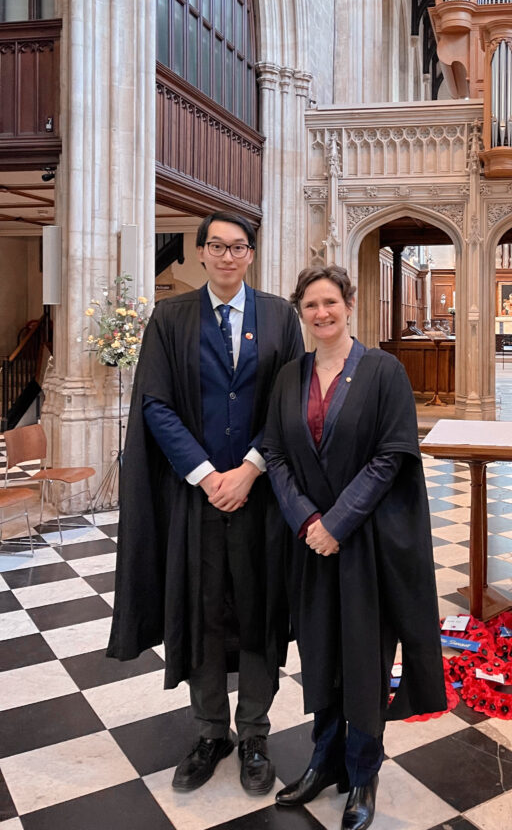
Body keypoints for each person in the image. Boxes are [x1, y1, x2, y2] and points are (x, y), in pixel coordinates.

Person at [107, 211, 303, 796]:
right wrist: (205, 475)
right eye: (216, 246)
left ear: (250, 255)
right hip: (196, 498)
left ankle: (255, 734)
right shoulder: (170, 317)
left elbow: (286, 402)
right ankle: (210, 730)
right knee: (204, 613)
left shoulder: (279, 316)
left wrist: (249, 468)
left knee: (260, 612)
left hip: (261, 496)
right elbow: (156, 404)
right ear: (199, 254)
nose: (226, 255)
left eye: (237, 246)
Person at [262, 265, 446, 830]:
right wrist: (306, 519)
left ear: (350, 303)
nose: (321, 313)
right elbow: (274, 452)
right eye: (311, 305)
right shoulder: (290, 375)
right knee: (318, 653)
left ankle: (362, 771)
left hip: (363, 543)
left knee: (364, 658)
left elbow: (392, 456)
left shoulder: (384, 371)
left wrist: (337, 522)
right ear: (302, 312)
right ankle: (323, 760)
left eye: (330, 302)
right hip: (311, 545)